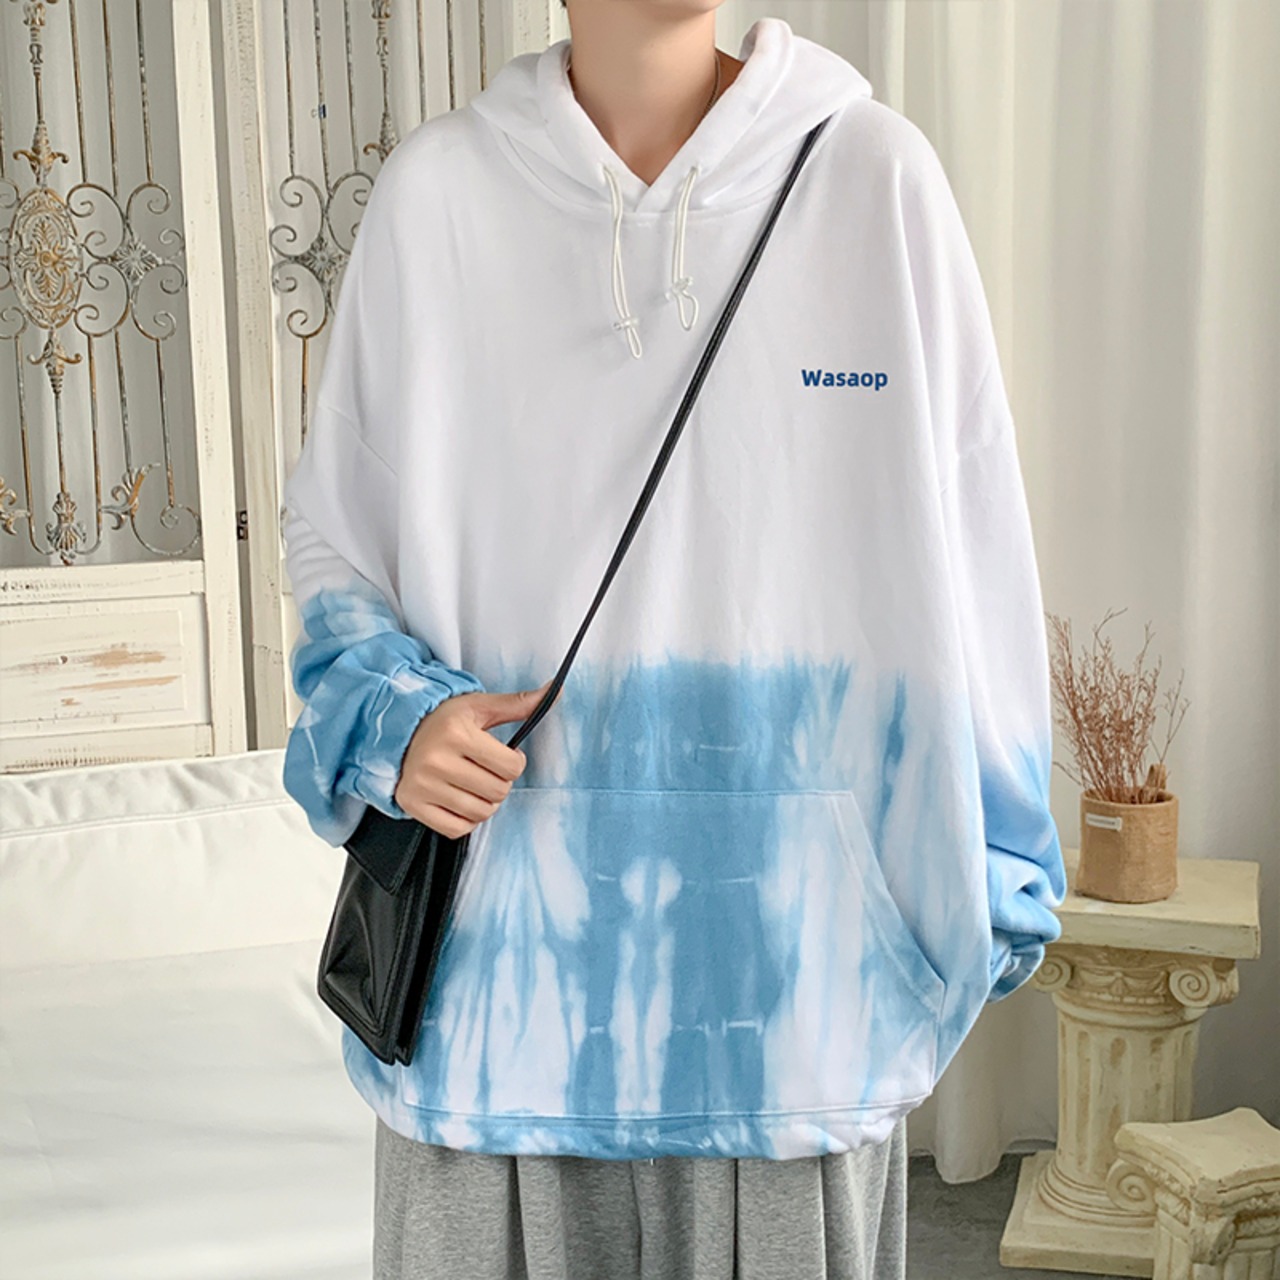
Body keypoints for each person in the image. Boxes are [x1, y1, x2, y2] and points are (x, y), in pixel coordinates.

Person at [279, 4, 1067, 1277]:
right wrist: (392, 717)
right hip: (492, 1000)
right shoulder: (437, 197)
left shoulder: (871, 176)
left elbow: (975, 535)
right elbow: (334, 532)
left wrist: (989, 881)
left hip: (796, 1003)